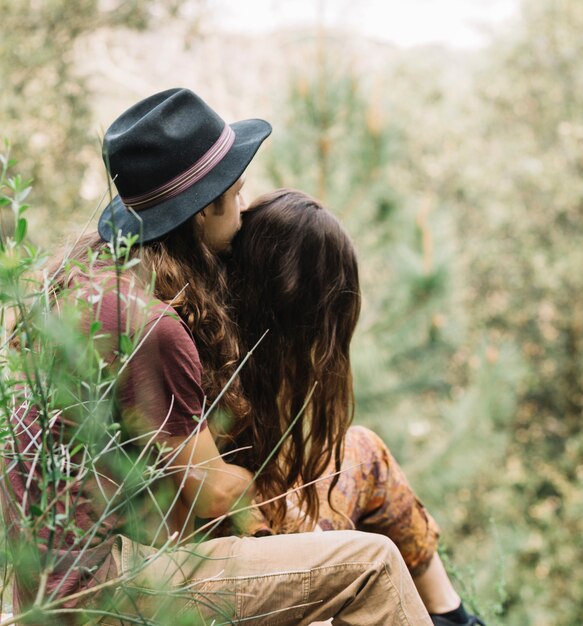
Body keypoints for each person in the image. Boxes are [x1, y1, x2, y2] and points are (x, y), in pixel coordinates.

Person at [1, 88, 432, 625]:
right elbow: (211, 493)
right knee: (373, 564)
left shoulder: (77, 284)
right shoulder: (151, 327)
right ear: (206, 207)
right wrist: (276, 516)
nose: (246, 206)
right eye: (238, 190)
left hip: (44, 584)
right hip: (106, 590)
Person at [225, 189, 486, 626]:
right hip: (253, 561)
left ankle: (454, 615)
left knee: (365, 451)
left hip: (281, 517)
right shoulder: (216, 375)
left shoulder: (251, 347)